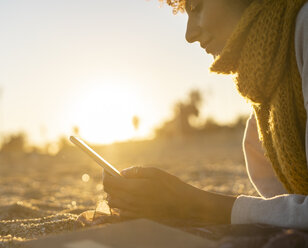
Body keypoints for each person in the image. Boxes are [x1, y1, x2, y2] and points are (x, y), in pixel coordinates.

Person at [103, 0, 308, 229]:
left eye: (195, 7)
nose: (189, 35)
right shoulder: (263, 116)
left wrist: (190, 203)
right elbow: (289, 208)